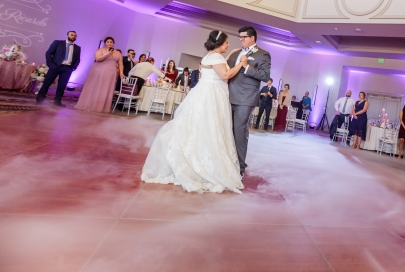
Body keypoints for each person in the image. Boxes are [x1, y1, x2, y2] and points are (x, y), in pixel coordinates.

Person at [141, 30, 246, 194]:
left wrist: (230, 55)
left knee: (198, 126)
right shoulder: (216, 58)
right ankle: (204, 164)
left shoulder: (209, 56)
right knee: (210, 127)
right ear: (219, 44)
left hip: (202, 93)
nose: (228, 45)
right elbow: (225, 73)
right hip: (212, 95)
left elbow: (217, 66)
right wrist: (241, 64)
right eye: (226, 43)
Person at [226, 26, 271, 180]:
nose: (241, 40)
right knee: (226, 130)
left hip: (245, 98)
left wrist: (247, 67)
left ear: (252, 38)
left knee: (239, 131)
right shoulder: (236, 53)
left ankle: (240, 167)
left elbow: (265, 76)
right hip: (228, 96)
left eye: (243, 37)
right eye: (240, 37)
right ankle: (226, 162)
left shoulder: (262, 54)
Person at [75, 37, 124, 113]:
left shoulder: (118, 53)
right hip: (99, 70)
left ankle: (102, 107)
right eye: (108, 42)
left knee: (106, 88)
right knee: (98, 87)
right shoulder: (100, 50)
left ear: (113, 43)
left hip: (111, 72)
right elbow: (98, 59)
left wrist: (121, 72)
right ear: (105, 43)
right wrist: (107, 54)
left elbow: (120, 63)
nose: (109, 43)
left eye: (111, 42)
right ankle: (91, 105)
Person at [36, 31, 81, 107]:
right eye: (72, 35)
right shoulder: (58, 43)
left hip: (67, 69)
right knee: (47, 83)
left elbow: (77, 59)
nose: (74, 36)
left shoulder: (77, 48)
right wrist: (51, 64)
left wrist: (73, 67)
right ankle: (39, 100)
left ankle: (57, 102)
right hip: (55, 66)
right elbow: (49, 53)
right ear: (67, 35)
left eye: (75, 35)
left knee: (62, 86)